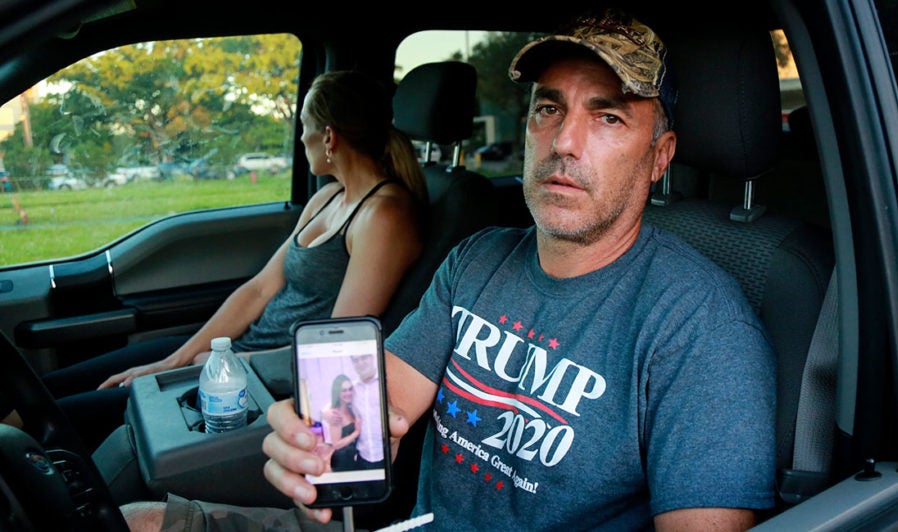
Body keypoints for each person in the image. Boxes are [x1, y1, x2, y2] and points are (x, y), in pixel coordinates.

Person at [122, 9, 776, 531]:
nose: (564, 142)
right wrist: (321, 443)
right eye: (549, 109)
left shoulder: (703, 328)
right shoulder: (478, 259)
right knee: (134, 520)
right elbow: (385, 407)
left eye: (607, 117)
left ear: (660, 156)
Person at [21, 69, 428, 452]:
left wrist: (223, 364)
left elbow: (332, 345)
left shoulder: (384, 215)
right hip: (234, 359)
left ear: (329, 137)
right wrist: (176, 360)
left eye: (304, 126)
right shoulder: (328, 197)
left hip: (261, 382)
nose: (300, 136)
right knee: (41, 389)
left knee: (43, 420)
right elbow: (260, 289)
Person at [317, 374, 361, 470]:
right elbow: (336, 444)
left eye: (350, 389)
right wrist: (356, 433)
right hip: (342, 461)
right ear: (338, 393)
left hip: (353, 459)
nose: (348, 393)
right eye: (344, 390)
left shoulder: (351, 409)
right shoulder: (335, 415)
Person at [349, 352, 384, 469]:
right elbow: (337, 403)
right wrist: (326, 414)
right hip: (362, 456)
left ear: (372, 357)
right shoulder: (352, 388)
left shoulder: (386, 382)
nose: (360, 363)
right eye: (355, 360)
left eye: (363, 357)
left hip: (387, 455)